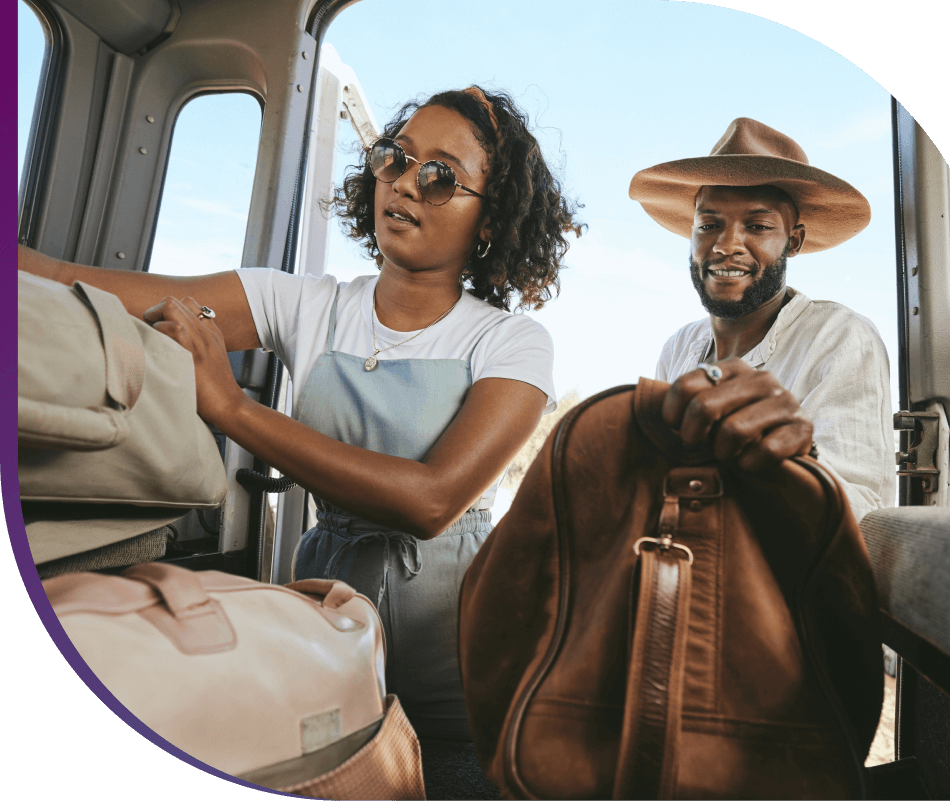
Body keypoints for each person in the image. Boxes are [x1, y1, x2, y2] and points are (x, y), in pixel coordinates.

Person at [19, 86, 582, 765]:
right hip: (325, 615)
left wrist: (232, 409)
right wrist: (194, 320)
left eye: (439, 176)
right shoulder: (306, 304)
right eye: (395, 159)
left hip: (460, 649)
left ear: (489, 221)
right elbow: (105, 289)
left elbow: (430, 500)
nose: (405, 183)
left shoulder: (512, 342)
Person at [630, 117, 894, 521]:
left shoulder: (839, 337)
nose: (726, 245)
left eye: (757, 226)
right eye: (709, 224)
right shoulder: (680, 347)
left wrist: (789, 461)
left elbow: (858, 510)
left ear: (794, 240)